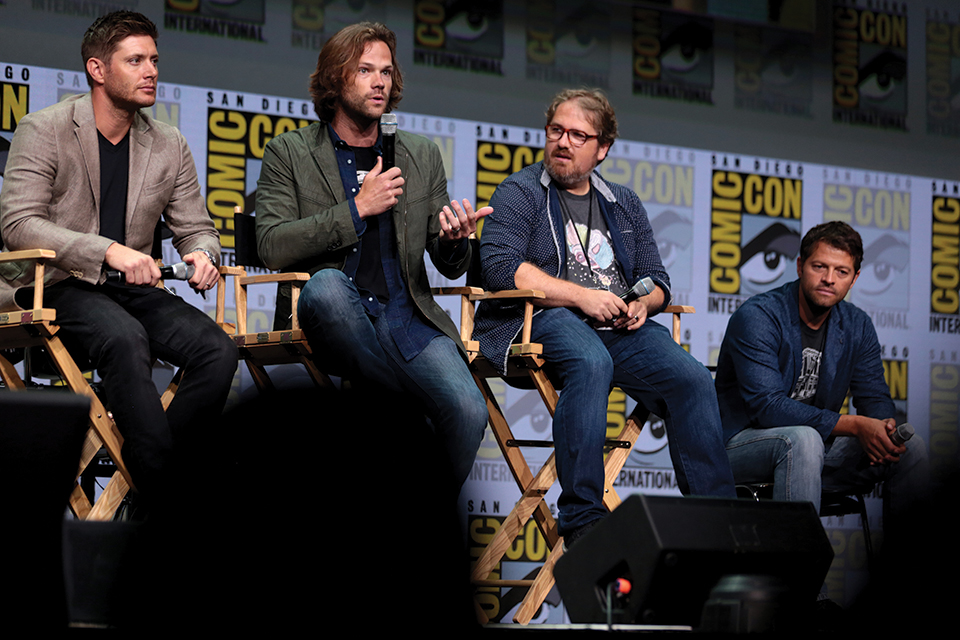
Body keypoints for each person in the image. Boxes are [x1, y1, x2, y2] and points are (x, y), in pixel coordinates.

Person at [474, 88, 736, 546]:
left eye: (578, 135)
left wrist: (644, 303)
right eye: (557, 130)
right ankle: (583, 519)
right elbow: (498, 267)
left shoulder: (623, 202)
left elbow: (656, 277)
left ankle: (719, 524)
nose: (563, 142)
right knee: (590, 361)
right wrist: (582, 297)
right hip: (540, 318)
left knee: (692, 379)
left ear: (603, 149)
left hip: (617, 326)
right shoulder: (519, 190)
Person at [0, 11, 238, 501]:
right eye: (135, 60)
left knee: (217, 350)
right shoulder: (43, 129)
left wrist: (202, 255)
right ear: (98, 69)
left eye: (153, 59)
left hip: (131, 290)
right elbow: (18, 225)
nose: (151, 70)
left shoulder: (169, 143)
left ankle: (145, 471)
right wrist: (108, 250)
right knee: (125, 337)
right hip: (53, 285)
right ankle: (166, 493)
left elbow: (196, 228)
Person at [255, 22, 488, 488]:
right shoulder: (291, 151)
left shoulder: (420, 154)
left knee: (468, 410)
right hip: (333, 306)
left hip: (405, 316)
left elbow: (447, 264)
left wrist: (455, 240)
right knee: (325, 287)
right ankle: (400, 417)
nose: (379, 81)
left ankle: (411, 531)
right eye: (364, 70)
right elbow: (272, 245)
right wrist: (357, 209)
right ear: (335, 79)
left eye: (385, 71)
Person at [715, 221, 928, 542]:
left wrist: (882, 431)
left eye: (842, 272)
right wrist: (856, 426)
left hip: (813, 448)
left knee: (909, 446)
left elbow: (874, 398)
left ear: (855, 278)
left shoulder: (857, 324)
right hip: (739, 448)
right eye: (820, 267)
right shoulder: (759, 315)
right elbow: (766, 407)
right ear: (800, 266)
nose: (829, 279)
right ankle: (804, 588)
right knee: (803, 439)